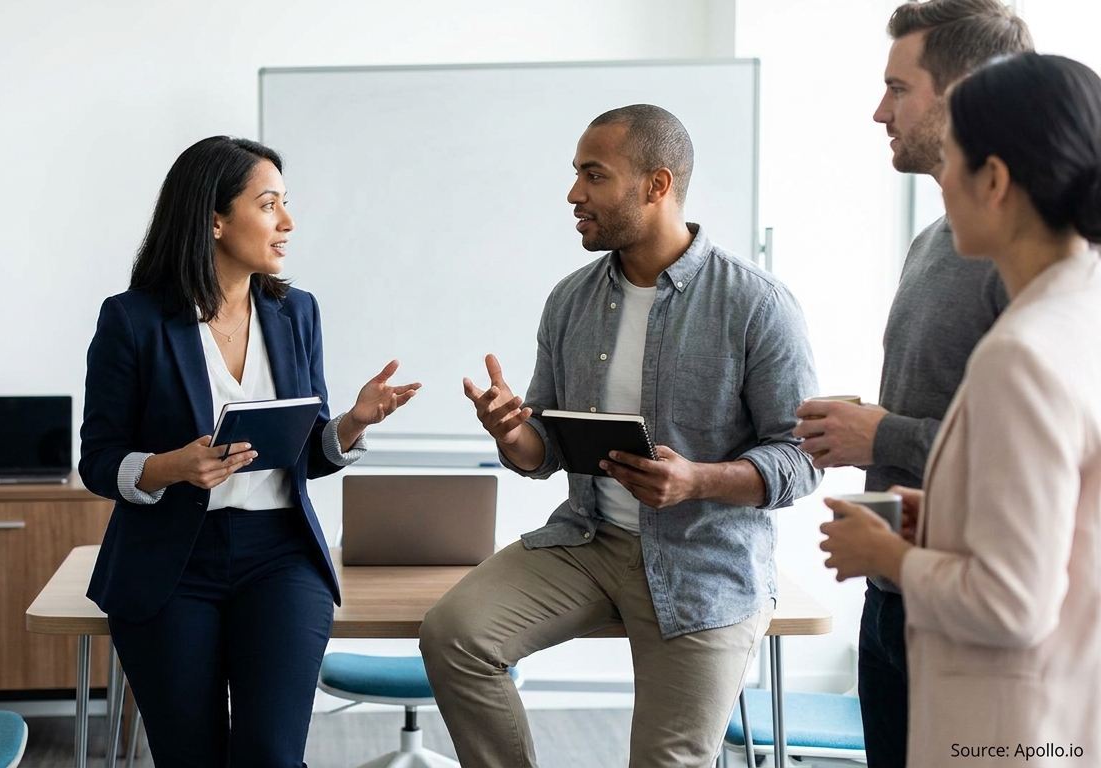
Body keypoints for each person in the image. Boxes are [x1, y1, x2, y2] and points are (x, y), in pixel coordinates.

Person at [418, 105, 822, 768]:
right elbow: (543, 449)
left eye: (593, 176)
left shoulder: (756, 303)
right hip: (587, 541)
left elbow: (801, 459)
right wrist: (512, 431)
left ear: (657, 186)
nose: (574, 195)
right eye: (577, 175)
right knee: (454, 635)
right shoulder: (570, 300)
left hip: (704, 563)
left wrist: (698, 480)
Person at [80, 135, 420, 767]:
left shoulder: (296, 313)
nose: (286, 223)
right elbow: (97, 459)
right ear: (214, 217)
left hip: (280, 556)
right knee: (191, 756)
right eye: (269, 205)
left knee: (270, 753)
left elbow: (305, 456)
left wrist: (350, 424)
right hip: (171, 564)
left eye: (284, 204)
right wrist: (167, 468)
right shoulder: (132, 320)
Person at [820, 52, 1101, 766]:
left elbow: (1012, 604)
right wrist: (941, 515)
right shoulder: (1081, 308)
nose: (940, 181)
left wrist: (887, 553)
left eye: (951, 160)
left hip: (1001, 727)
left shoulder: (1021, 354)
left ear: (996, 181)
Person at [792, 3, 1031, 764]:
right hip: (893, 597)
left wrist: (881, 435)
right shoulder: (936, 238)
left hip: (975, 615)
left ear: (964, 93)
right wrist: (865, 426)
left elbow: (1032, 457)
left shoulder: (1028, 256)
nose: (878, 112)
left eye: (898, 88)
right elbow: (956, 412)